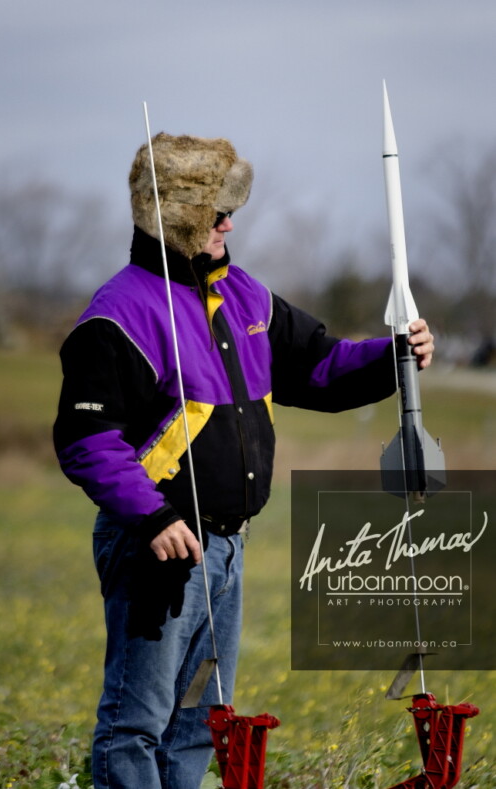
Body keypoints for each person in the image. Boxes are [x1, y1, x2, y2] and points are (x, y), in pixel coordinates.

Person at [53, 132, 435, 789]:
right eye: (214, 212)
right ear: (172, 220)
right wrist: (152, 518)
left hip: (226, 551)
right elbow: (87, 439)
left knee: (200, 719)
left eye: (231, 209)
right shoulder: (116, 316)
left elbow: (318, 365)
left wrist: (394, 353)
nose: (230, 222)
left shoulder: (247, 297)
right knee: (135, 726)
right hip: (158, 552)